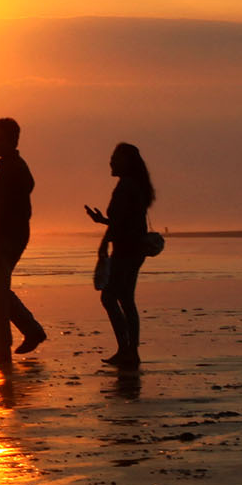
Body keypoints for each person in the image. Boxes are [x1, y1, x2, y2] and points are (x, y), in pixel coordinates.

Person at [0, 117, 47, 363]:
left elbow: (2, 210)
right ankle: (27, 333)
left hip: (5, 235)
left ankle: (5, 345)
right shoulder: (14, 167)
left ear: (10, 140)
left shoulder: (13, 169)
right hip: (12, 234)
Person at [85, 142, 154, 369]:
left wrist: (104, 243)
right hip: (131, 249)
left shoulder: (127, 187)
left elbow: (121, 223)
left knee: (110, 297)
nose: (111, 162)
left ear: (126, 162)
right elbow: (123, 221)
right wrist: (102, 222)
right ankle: (129, 351)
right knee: (125, 299)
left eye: (115, 158)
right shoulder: (133, 186)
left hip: (127, 250)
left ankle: (127, 350)